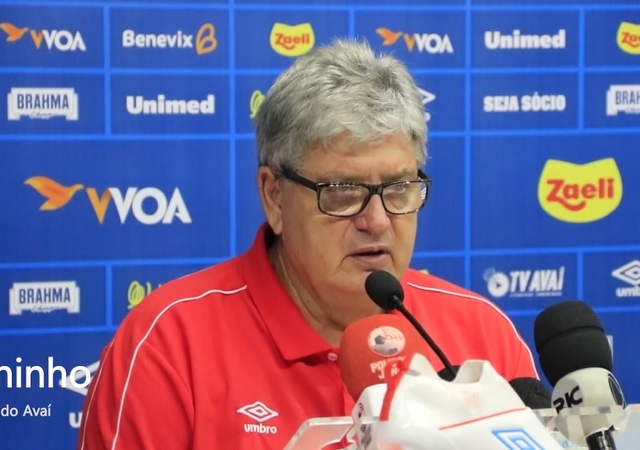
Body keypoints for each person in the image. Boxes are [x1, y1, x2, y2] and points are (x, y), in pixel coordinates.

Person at [77, 39, 538, 450]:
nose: (376, 221)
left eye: (398, 188)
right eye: (342, 191)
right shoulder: (167, 347)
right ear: (274, 196)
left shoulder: (482, 337)